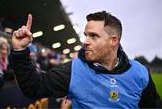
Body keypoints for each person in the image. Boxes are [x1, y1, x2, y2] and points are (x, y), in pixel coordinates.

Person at [11, 11, 162, 108]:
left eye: (94, 36)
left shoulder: (140, 72)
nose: (85, 41)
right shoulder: (74, 70)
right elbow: (33, 87)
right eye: (86, 35)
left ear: (114, 41)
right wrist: (20, 50)